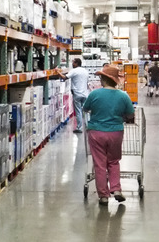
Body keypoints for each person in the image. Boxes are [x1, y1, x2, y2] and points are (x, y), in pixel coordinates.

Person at [83, 65, 135, 206]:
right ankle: (116, 189)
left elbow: (85, 108)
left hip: (96, 132)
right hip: (115, 132)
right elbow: (131, 114)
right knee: (113, 161)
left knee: (100, 164)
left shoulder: (94, 94)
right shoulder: (123, 96)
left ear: (103, 79)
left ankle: (103, 196)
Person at [57, 58, 89, 133]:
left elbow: (64, 78)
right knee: (86, 111)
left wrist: (58, 72)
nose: (72, 64)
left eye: (73, 62)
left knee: (78, 111)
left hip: (77, 94)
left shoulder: (74, 71)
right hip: (85, 94)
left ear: (76, 63)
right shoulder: (85, 71)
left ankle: (79, 128)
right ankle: (88, 126)